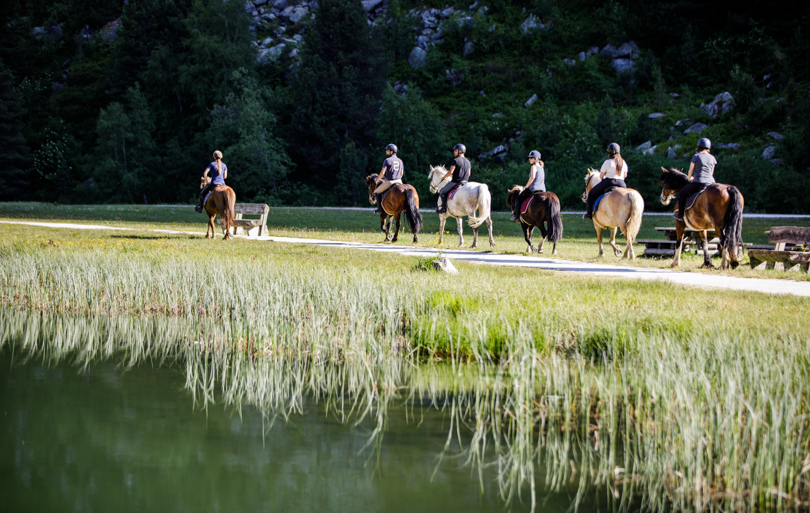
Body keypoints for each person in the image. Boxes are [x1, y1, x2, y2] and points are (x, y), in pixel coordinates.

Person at [674, 138, 716, 221]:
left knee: (681, 193)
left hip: (699, 182)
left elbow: (690, 171)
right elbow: (711, 173)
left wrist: (690, 178)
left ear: (699, 147)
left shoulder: (696, 156)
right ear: (708, 148)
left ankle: (680, 216)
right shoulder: (712, 158)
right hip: (711, 183)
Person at [583, 143, 628, 220]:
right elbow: (625, 175)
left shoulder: (607, 162)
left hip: (609, 182)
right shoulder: (623, 162)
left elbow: (601, 176)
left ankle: (589, 214)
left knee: (591, 194)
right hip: (621, 184)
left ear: (609, 152)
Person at [511, 150, 546, 222]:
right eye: (529, 158)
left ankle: (517, 217)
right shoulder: (541, 167)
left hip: (533, 189)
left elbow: (532, 177)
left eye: (531, 157)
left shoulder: (533, 166)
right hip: (543, 190)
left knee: (518, 199)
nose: (529, 159)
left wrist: (526, 186)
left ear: (536, 158)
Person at [436, 143, 471, 213]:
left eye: (455, 150)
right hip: (465, 183)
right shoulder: (468, 161)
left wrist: (444, 177)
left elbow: (451, 172)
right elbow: (469, 174)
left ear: (460, 151)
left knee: (442, 192)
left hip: (455, 182)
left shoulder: (455, 160)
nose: (454, 152)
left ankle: (443, 209)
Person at [373, 144, 404, 214]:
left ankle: (380, 209)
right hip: (399, 181)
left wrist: (378, 180)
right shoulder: (400, 161)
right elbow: (401, 173)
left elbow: (382, 173)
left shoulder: (387, 160)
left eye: (387, 150)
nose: (386, 152)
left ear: (391, 151)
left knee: (376, 192)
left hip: (390, 182)